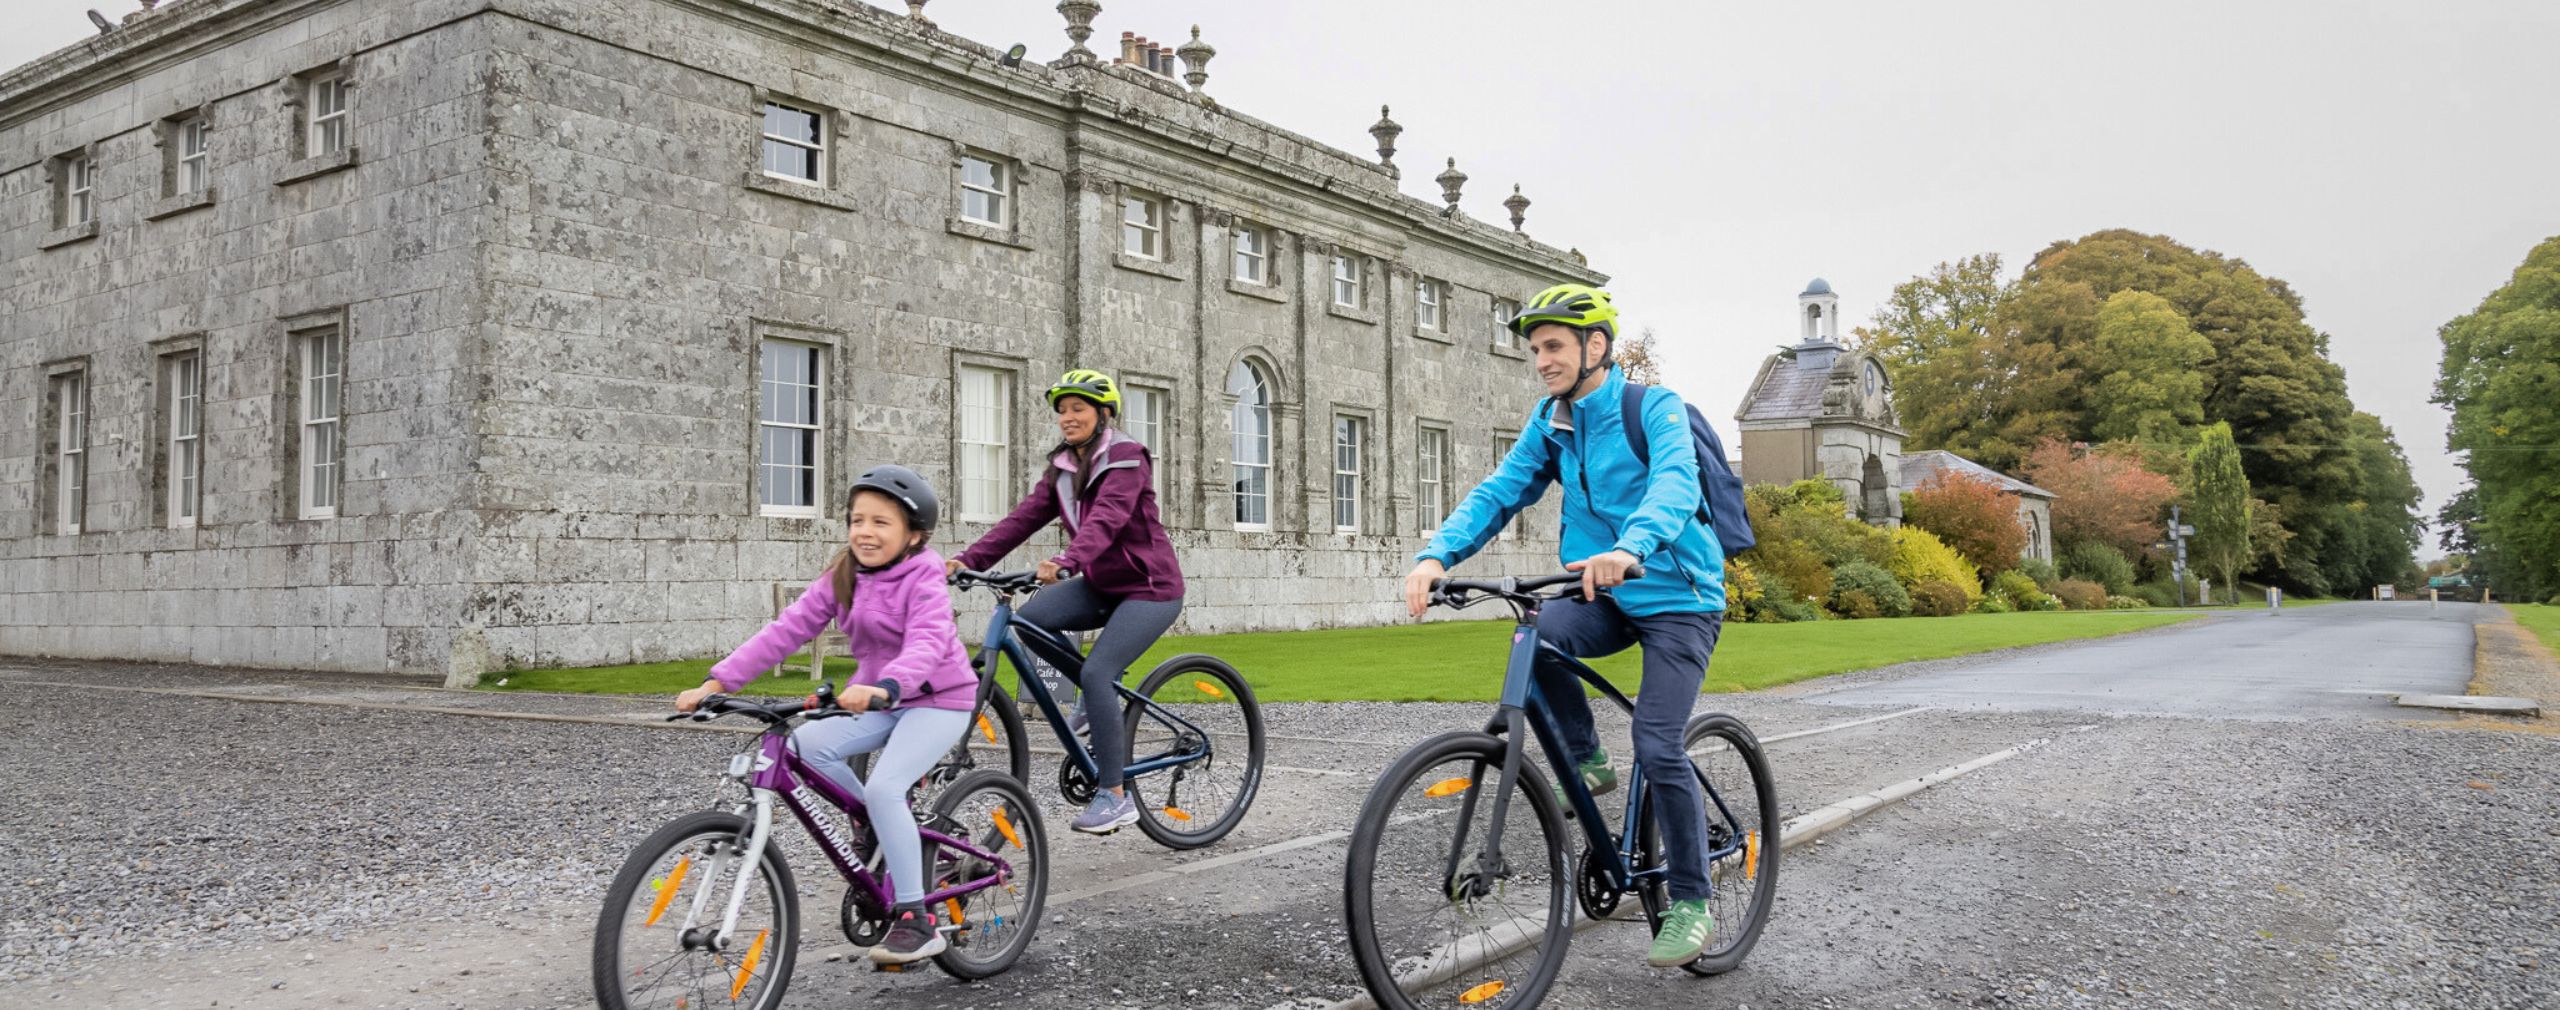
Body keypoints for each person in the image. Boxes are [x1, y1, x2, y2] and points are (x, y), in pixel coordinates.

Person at [1400, 283, 1728, 968]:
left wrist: (1630, 547)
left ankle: (1691, 901)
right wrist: (1436, 555)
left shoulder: (1654, 408)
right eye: (1536, 349)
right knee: (1536, 632)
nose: (1542, 360)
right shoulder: (1552, 421)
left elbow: (1676, 482)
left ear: (1595, 346)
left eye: (1553, 346)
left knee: (1659, 743)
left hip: (1679, 597)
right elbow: (1500, 490)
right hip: (1600, 592)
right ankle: (1585, 758)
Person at [675, 465, 976, 965]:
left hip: (937, 699)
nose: (865, 531)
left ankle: (916, 919)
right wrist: (718, 682)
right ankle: (881, 829)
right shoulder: (844, 575)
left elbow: (928, 640)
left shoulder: (924, 575)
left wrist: (886, 684)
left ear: (914, 534)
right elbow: (786, 630)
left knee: (884, 787)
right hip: (879, 698)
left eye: (881, 522)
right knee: (804, 748)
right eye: (858, 519)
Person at [950, 369, 1185, 836]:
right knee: (1031, 618)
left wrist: (1066, 560)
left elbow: (1108, 520)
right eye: (1062, 410)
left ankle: (1115, 798)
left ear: (1104, 414)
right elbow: (1021, 520)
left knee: (1097, 672)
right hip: (1100, 583)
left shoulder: (1125, 458)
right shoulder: (1062, 468)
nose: (1067, 417)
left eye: (1078, 408)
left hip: (1149, 587)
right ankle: (1096, 703)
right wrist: (965, 560)